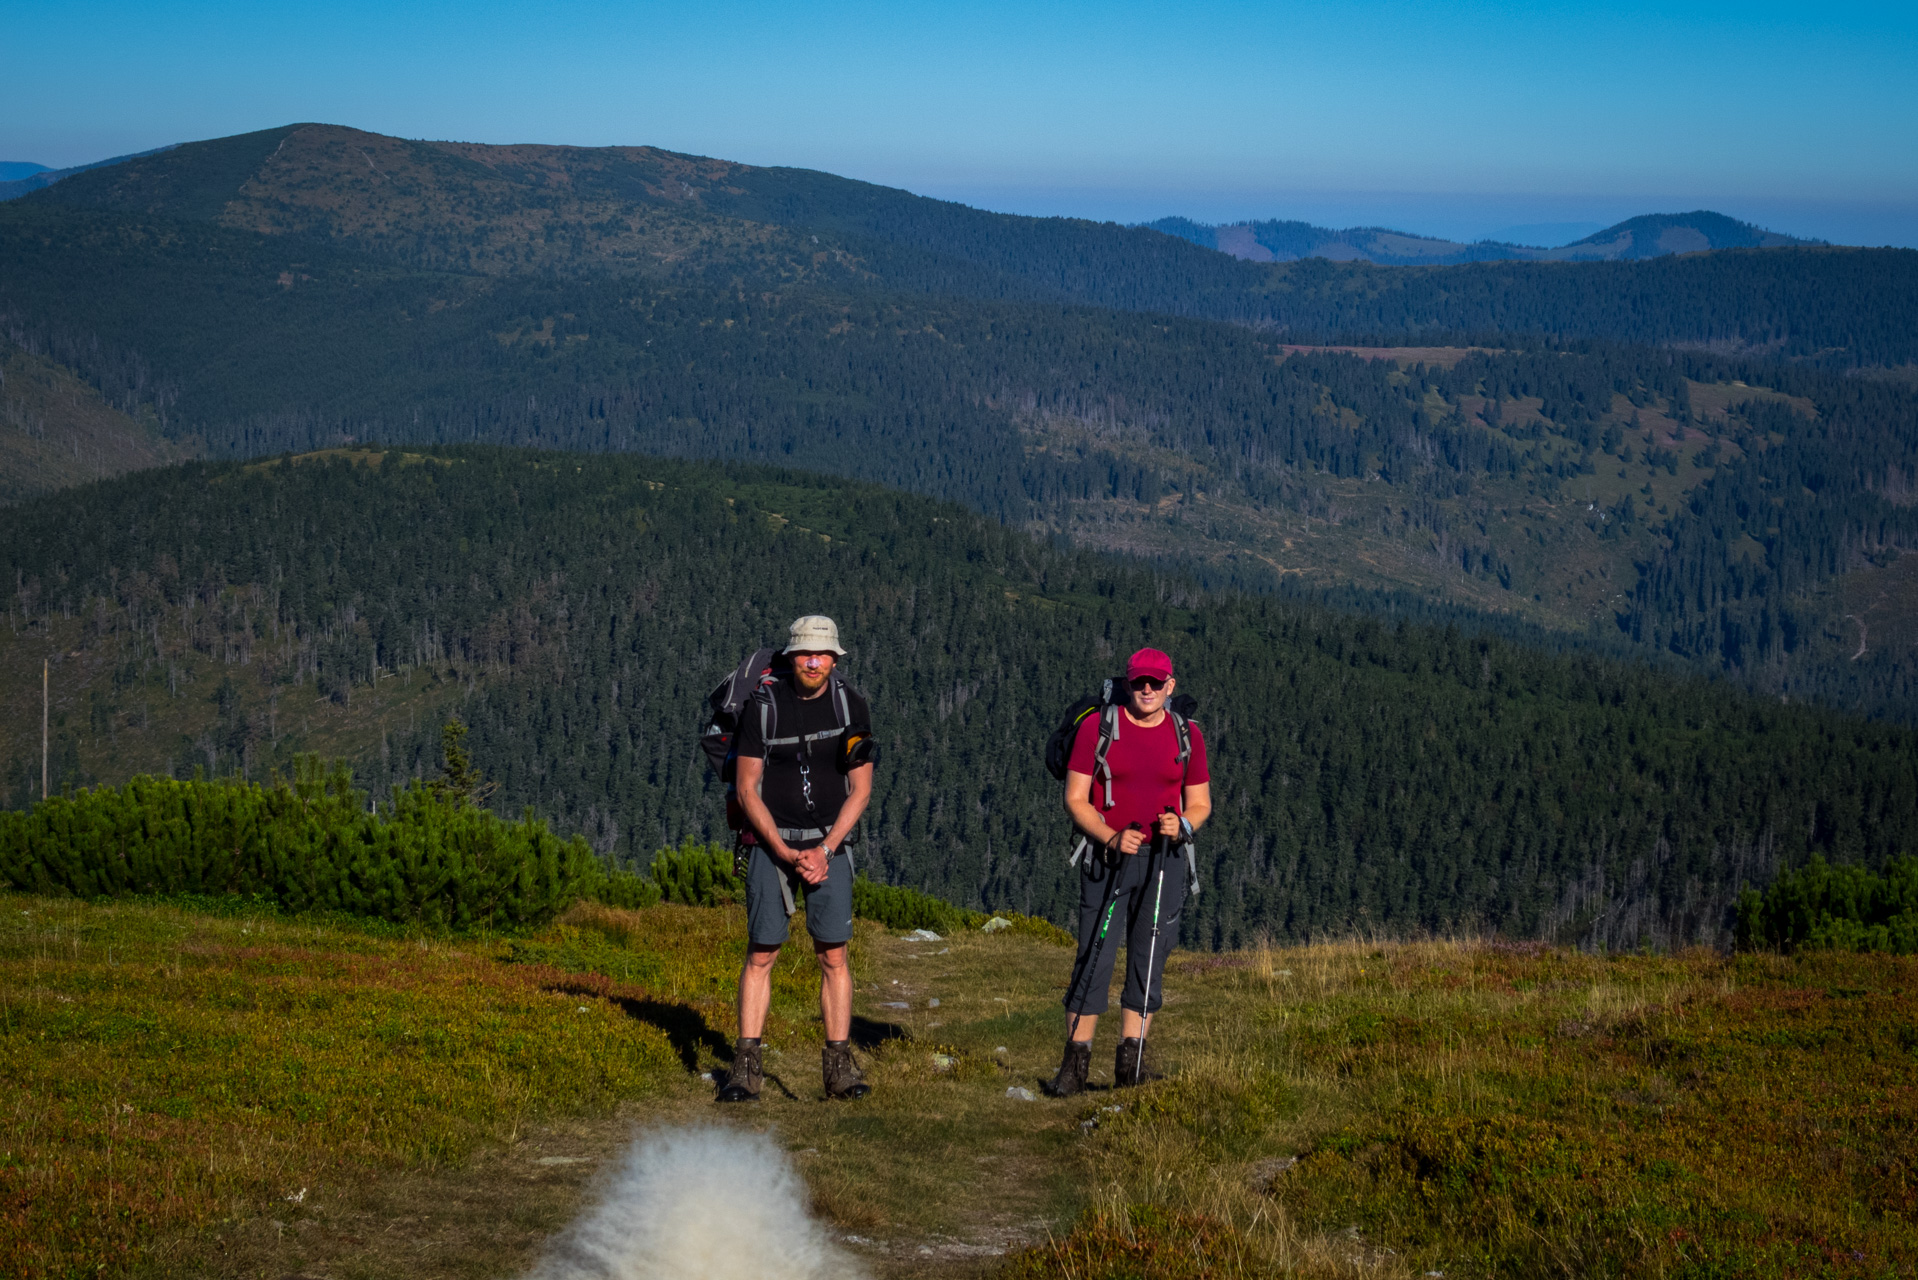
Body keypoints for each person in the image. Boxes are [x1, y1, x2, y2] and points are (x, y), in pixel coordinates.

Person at [718, 615, 876, 1103]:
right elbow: (746, 788)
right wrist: (786, 851)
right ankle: (745, 1070)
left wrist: (825, 850)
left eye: (823, 653)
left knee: (834, 955)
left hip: (830, 847)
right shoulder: (762, 708)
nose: (814, 661)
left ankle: (839, 1069)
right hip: (772, 844)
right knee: (762, 952)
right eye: (806, 653)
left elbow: (861, 789)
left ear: (835, 658)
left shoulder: (851, 705)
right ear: (790, 656)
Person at [1045, 647, 1211, 1095]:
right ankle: (1075, 1068)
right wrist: (1111, 836)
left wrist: (1185, 825)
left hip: (1165, 860)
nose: (1147, 690)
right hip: (1108, 859)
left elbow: (1200, 801)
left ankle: (1130, 1064)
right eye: (1140, 682)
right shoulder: (1100, 729)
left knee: (1149, 959)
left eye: (1157, 683)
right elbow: (1075, 799)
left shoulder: (1187, 734)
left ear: (1170, 686)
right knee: (1093, 957)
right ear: (1127, 682)